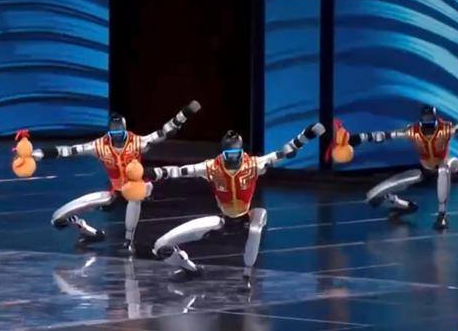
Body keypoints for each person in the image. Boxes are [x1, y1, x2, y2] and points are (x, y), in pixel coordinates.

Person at [138, 123, 325, 287]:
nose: (233, 159)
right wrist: (155, 173)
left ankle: (247, 276)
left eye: (236, 154)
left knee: (255, 230)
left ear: (241, 151)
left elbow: (284, 153)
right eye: (229, 155)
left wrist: (306, 136)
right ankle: (191, 269)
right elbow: (181, 171)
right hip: (222, 221)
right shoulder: (211, 167)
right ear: (223, 153)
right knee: (161, 246)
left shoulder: (253, 164)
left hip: (247, 218)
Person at [19, 101, 200, 253]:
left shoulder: (137, 142)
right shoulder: (99, 146)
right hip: (115, 191)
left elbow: (164, 133)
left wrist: (183, 114)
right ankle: (87, 230)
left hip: (139, 186)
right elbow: (69, 150)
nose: (117, 137)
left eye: (120, 132)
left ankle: (128, 241)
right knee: (57, 219)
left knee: (135, 196)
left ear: (125, 130)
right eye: (114, 133)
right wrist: (38, 154)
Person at [332, 94, 458, 230]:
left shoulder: (446, 129)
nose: (429, 128)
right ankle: (403, 205)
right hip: (424, 169)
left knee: (444, 168)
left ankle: (442, 215)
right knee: (372, 196)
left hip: (447, 163)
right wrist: (356, 139)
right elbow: (385, 135)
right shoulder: (413, 131)